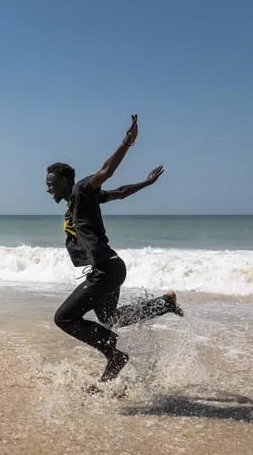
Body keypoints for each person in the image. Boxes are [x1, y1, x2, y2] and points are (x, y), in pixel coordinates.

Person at [45, 114, 182, 383]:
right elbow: (119, 191)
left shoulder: (82, 190)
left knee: (64, 318)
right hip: (109, 268)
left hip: (106, 270)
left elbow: (107, 172)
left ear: (64, 181)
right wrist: (146, 183)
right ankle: (165, 303)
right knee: (113, 317)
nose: (47, 188)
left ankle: (114, 354)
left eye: (51, 183)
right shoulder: (79, 201)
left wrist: (125, 144)